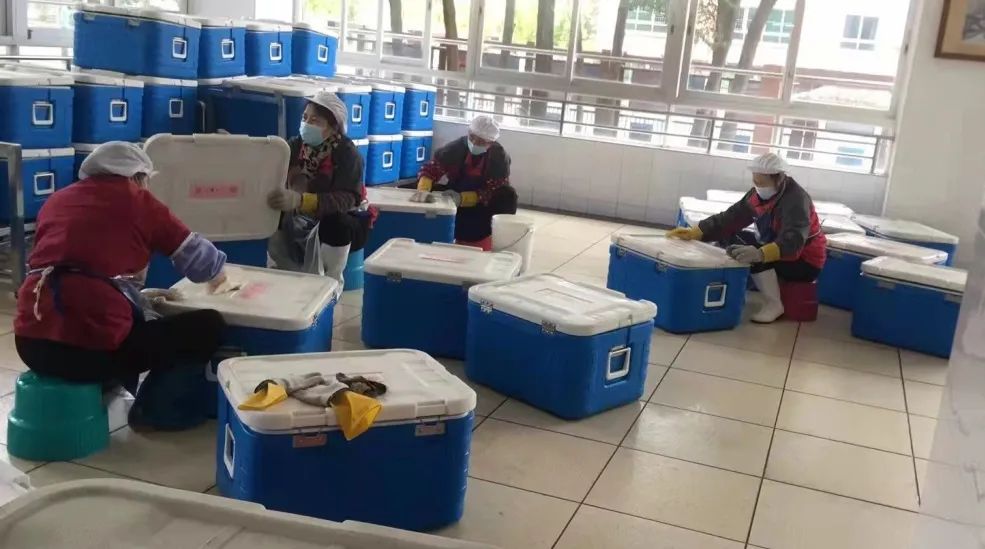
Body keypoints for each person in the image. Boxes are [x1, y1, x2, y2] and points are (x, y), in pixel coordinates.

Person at [13, 142, 229, 425]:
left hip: (30, 344)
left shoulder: (58, 200)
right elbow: (201, 263)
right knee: (207, 326)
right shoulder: (138, 201)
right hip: (88, 353)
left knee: (117, 323)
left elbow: (71, 267)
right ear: (138, 176)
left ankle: (104, 384)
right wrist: (221, 276)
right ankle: (158, 412)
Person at [669, 152, 826, 323]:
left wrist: (761, 254)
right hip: (777, 245)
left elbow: (794, 240)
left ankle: (774, 304)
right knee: (730, 238)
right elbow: (730, 218)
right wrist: (697, 232)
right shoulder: (758, 196)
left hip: (805, 260)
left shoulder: (796, 200)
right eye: (755, 182)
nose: (758, 187)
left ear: (779, 179)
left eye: (762, 183)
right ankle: (734, 289)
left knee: (753, 256)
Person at [266, 91, 376, 292]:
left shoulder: (347, 154)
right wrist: (244, 150)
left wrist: (302, 201)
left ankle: (330, 285)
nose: (306, 124)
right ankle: (282, 274)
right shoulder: (297, 145)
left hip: (342, 220)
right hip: (301, 217)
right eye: (305, 118)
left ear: (333, 127)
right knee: (274, 211)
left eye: (315, 120)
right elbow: (270, 159)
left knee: (337, 224)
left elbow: (348, 199)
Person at [413, 115, 517, 250]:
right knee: (412, 188)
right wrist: (423, 189)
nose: (474, 143)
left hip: (481, 204)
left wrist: (463, 198)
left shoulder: (499, 158)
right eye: (472, 137)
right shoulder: (455, 148)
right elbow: (432, 169)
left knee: (508, 195)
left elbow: (494, 189)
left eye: (481, 141)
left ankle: (485, 238)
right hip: (454, 193)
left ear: (490, 143)